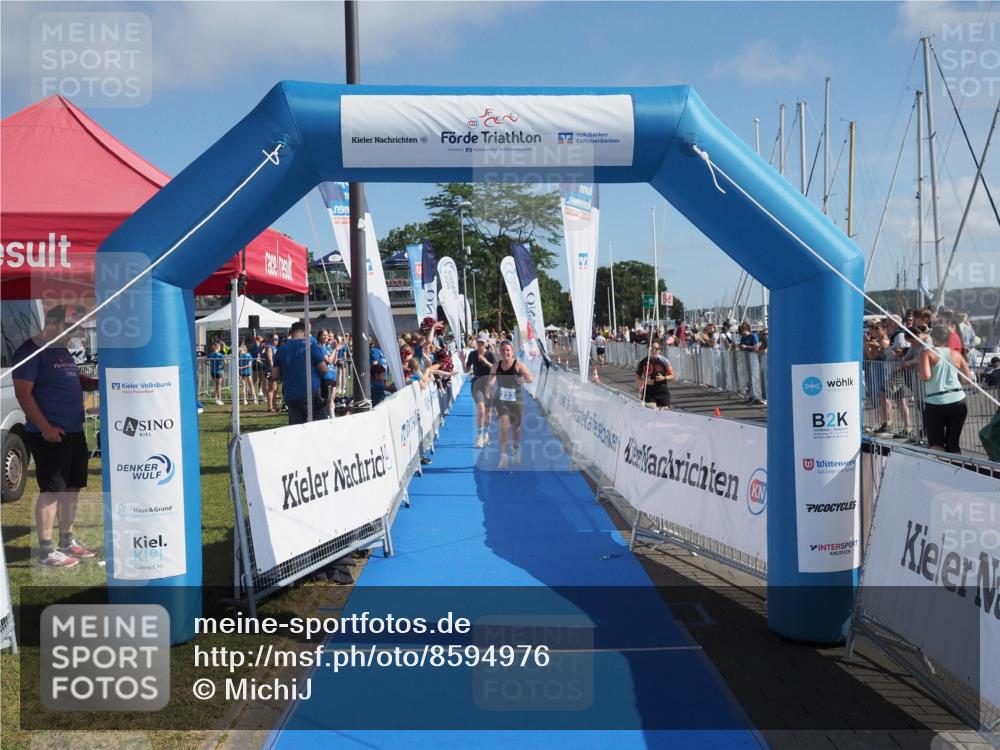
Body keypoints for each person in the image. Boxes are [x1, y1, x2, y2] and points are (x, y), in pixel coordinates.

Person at [12, 305, 100, 568]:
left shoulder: (60, 350)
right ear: (54, 324)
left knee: (72, 488)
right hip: (50, 435)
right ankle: (46, 551)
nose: (79, 332)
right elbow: (23, 393)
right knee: (52, 490)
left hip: (74, 431)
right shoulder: (30, 350)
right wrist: (45, 428)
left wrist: (93, 383)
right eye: (74, 327)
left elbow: (70, 378)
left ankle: (67, 540)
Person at [919, 325, 972, 454]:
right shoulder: (956, 354)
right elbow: (967, 379)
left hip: (936, 401)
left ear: (932, 337)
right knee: (953, 444)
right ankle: (957, 470)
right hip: (958, 400)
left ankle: (941, 472)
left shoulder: (926, 353)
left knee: (936, 444)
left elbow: (925, 376)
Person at [487, 340, 534, 468]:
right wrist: (489, 388)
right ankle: (503, 457)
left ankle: (516, 448)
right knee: (504, 426)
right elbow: (491, 379)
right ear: (500, 352)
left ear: (512, 352)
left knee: (516, 428)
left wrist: (523, 379)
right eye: (503, 350)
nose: (505, 352)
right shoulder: (496, 365)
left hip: (516, 400)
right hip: (502, 400)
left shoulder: (518, 365)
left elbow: (531, 378)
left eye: (507, 350)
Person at [271, 322, 328, 424]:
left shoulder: (281, 350)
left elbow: (274, 375)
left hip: (291, 394)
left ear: (292, 332)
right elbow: (324, 369)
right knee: (320, 426)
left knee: (296, 429)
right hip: (311, 393)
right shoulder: (310, 345)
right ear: (305, 332)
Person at [465, 332, 497, 447]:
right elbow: (466, 369)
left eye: (482, 342)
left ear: (486, 342)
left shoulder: (490, 354)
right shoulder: (472, 354)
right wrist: (463, 361)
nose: (480, 344)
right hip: (476, 383)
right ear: (476, 342)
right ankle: (479, 437)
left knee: (488, 412)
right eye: (479, 342)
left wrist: (486, 362)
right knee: (481, 410)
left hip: (488, 384)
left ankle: (486, 434)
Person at [635, 341, 674, 409]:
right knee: (651, 408)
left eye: (656, 348)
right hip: (649, 390)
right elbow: (637, 379)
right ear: (648, 349)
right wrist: (645, 381)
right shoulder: (643, 362)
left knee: (664, 411)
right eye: (651, 348)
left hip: (662, 389)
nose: (653, 350)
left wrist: (664, 378)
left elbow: (672, 376)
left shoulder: (665, 361)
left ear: (659, 350)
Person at [207, 341, 226, 406]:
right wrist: (222, 365)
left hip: (212, 371)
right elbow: (225, 362)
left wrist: (211, 365)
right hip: (219, 371)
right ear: (218, 348)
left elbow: (205, 361)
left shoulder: (211, 354)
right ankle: (219, 399)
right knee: (219, 386)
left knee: (216, 385)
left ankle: (216, 398)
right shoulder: (220, 355)